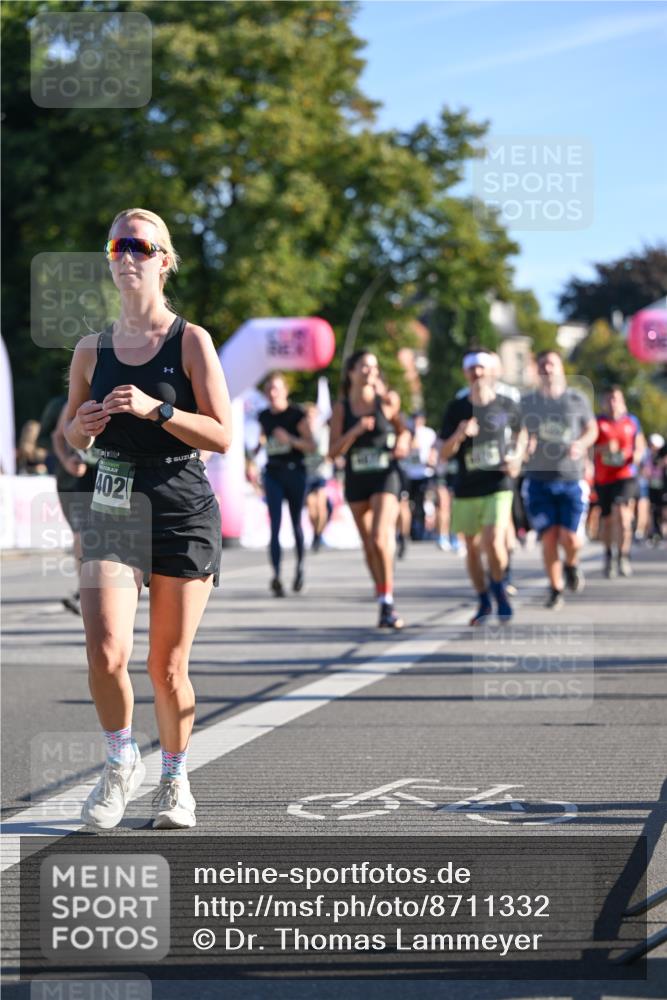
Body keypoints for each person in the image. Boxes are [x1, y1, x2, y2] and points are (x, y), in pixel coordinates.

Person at [63, 207, 232, 831]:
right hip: (113, 501)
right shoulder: (91, 349)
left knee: (166, 667)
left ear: (165, 261)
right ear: (111, 261)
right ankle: (119, 762)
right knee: (106, 652)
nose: (128, 254)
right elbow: (73, 435)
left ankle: (175, 778)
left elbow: (221, 434)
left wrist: (159, 410)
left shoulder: (191, 341)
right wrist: (82, 427)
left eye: (141, 244)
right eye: (118, 244)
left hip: (181, 503)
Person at [440, 350, 525, 625]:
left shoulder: (506, 404)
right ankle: (483, 599)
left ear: (492, 372)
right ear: (466, 374)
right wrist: (459, 434)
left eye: (482, 369)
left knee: (493, 541)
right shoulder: (456, 408)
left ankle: (500, 589)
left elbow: (523, 434)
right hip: (466, 487)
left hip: (498, 484)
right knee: (473, 548)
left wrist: (516, 458)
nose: (477, 374)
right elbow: (443, 452)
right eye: (472, 370)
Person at [329, 349, 411, 629]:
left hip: (385, 476)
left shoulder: (386, 401)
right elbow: (332, 452)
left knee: (379, 537)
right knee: (368, 544)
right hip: (356, 478)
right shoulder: (341, 408)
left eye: (374, 367)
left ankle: (389, 601)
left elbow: (404, 430)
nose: (370, 371)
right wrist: (355, 431)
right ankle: (381, 596)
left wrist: (403, 442)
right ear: (351, 372)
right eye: (364, 366)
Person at [521, 350, 598, 608]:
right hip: (538, 478)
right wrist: (524, 446)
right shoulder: (529, 402)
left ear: (561, 367)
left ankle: (572, 564)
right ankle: (555, 589)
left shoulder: (577, 399)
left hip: (571, 477)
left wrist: (582, 443)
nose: (547, 369)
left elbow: (592, 429)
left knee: (571, 538)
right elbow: (521, 432)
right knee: (550, 537)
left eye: (551, 364)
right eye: (542, 365)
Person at [257, 373, 315, 595]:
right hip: (272, 473)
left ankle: (300, 569)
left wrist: (290, 440)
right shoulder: (263, 416)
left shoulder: (296, 414)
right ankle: (277, 576)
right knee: (274, 526)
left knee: (296, 523)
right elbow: (263, 439)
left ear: (285, 391)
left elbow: (311, 445)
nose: (272, 393)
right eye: (269, 389)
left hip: (295, 472)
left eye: (276, 389)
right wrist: (257, 449)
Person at [52, 398, 99, 615]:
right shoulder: (74, 400)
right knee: (82, 535)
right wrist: (66, 461)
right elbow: (57, 436)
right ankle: (85, 593)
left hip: (107, 475)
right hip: (76, 479)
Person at [594, 386, 645, 577]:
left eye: (615, 399)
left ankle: (624, 556)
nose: (612, 403)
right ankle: (609, 555)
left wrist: (635, 455)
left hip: (625, 475)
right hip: (603, 477)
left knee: (623, 516)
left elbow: (640, 445)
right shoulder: (597, 422)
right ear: (603, 402)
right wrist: (603, 448)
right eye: (609, 399)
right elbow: (588, 449)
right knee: (607, 520)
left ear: (622, 400)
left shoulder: (631, 421)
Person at [302, 402, 333, 552]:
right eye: (307, 416)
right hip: (307, 473)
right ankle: (316, 532)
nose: (310, 418)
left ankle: (319, 533)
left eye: (313, 415)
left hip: (321, 473)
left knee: (321, 508)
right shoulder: (301, 431)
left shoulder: (323, 430)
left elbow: (326, 451)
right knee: (311, 510)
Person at [643, 433, 666, 544]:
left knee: (662, 509)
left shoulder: (662, 455)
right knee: (653, 509)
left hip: (663, 486)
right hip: (652, 486)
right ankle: (655, 531)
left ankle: (661, 530)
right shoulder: (648, 455)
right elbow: (646, 470)